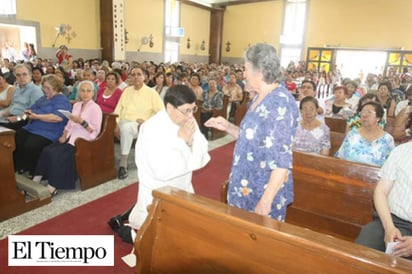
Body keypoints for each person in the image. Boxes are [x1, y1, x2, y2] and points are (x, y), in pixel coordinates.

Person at [205, 43, 299, 221]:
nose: (243, 74)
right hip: (245, 187)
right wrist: (228, 127)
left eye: (246, 69)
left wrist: (266, 200)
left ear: (260, 72)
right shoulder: (258, 98)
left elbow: (282, 160)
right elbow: (253, 139)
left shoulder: (280, 103)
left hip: (262, 191)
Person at [108, 85, 210, 243]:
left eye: (193, 109)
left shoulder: (187, 120)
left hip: (183, 187)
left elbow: (203, 152)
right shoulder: (151, 129)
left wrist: (190, 143)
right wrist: (182, 141)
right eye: (187, 110)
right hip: (158, 192)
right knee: (159, 240)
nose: (191, 115)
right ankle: (127, 232)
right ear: (170, 107)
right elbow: (161, 170)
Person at [32, 80, 102, 195]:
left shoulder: (95, 108)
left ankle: (53, 185)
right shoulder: (77, 105)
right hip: (70, 136)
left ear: (93, 93)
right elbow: (69, 123)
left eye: (88, 91)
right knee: (47, 150)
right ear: (79, 92)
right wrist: (64, 135)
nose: (85, 94)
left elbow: (95, 131)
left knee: (58, 155)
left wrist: (82, 122)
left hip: (83, 140)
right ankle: (37, 178)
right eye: (82, 91)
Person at [355, 141, 412, 260]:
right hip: (392, 220)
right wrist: (389, 228)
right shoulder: (401, 151)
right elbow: (381, 192)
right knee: (363, 248)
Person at [13, 74, 71, 178]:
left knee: (32, 144)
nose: (45, 90)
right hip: (34, 127)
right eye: (44, 87)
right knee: (18, 136)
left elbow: (57, 118)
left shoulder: (62, 100)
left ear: (56, 87)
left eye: (48, 88)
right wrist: (27, 112)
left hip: (50, 131)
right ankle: (21, 166)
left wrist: (37, 116)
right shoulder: (43, 98)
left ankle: (36, 171)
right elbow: (31, 108)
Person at [113, 66, 164, 179]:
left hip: (140, 125)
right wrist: (115, 124)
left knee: (126, 128)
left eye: (139, 74)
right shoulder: (126, 91)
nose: (136, 77)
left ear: (145, 77)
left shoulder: (151, 92)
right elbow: (118, 109)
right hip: (123, 122)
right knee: (124, 126)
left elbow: (162, 112)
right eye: (133, 74)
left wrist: (147, 122)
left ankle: (123, 163)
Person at [335, 101, 394, 167]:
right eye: (362, 112)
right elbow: (340, 157)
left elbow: (390, 166)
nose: (364, 115)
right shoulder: (352, 134)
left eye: (369, 112)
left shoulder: (387, 139)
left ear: (378, 118)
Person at [0, 64, 43, 130]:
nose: (21, 77)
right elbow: (12, 107)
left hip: (25, 121)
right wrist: (2, 113)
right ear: (15, 77)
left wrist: (18, 118)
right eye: (18, 75)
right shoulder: (17, 89)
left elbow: (33, 112)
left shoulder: (35, 91)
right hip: (11, 117)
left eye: (24, 74)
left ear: (30, 76)